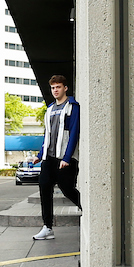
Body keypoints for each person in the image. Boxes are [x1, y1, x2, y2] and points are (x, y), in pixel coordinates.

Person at [32, 75, 81, 241]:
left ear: (65, 88)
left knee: (68, 190)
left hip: (64, 158)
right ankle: (47, 227)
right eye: (53, 88)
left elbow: (74, 133)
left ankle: (89, 210)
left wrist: (67, 158)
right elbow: (48, 134)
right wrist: (40, 155)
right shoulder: (50, 109)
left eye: (58, 87)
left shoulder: (72, 107)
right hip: (49, 158)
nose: (55, 90)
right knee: (44, 188)